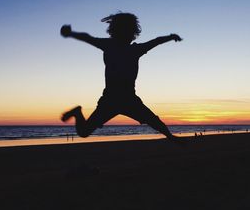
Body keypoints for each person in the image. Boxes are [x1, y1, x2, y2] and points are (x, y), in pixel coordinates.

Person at [60, 12, 182, 143]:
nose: (130, 35)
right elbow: (88, 38)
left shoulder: (125, 48)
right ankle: (77, 113)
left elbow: (156, 41)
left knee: (152, 119)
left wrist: (170, 37)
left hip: (125, 99)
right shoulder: (120, 47)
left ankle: (170, 137)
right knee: (84, 132)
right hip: (113, 99)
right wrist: (171, 37)